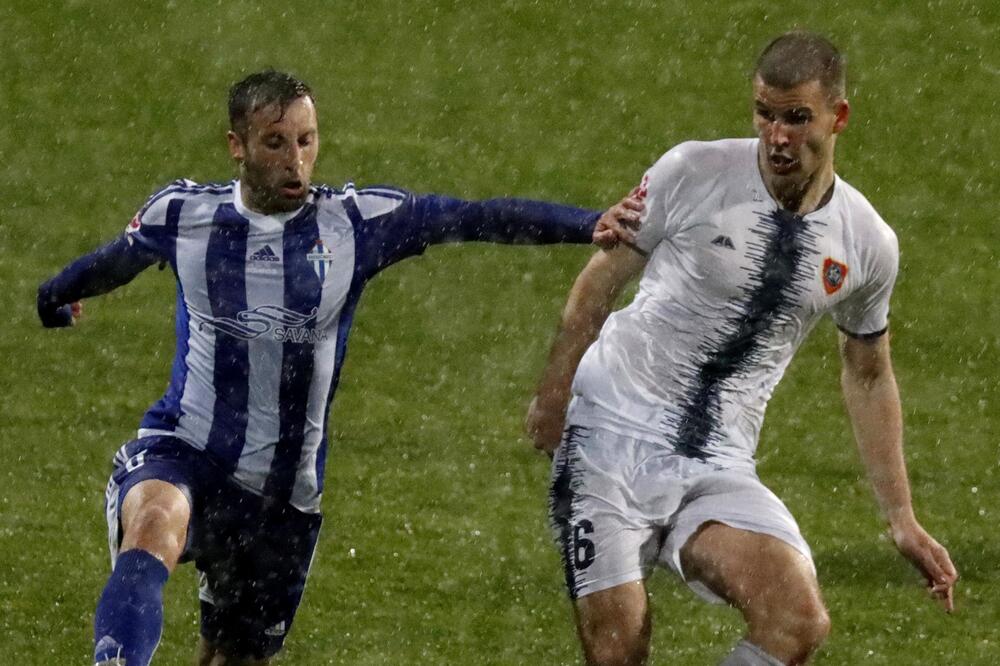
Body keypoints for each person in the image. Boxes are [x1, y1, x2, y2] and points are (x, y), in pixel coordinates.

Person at [36, 70, 642, 666]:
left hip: (283, 496)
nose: (296, 161)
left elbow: (474, 216)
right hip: (188, 448)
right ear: (236, 147)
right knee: (152, 523)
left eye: (307, 140)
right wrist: (55, 295)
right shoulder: (183, 215)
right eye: (275, 143)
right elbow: (112, 263)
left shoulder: (354, 224)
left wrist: (585, 223)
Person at [526, 31, 958, 666]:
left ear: (838, 116)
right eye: (765, 114)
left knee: (797, 619)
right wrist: (554, 391)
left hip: (718, 463)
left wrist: (901, 517)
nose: (777, 135)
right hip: (608, 434)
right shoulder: (691, 172)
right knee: (618, 652)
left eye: (796, 117)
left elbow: (868, 372)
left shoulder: (867, 242)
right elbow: (598, 285)